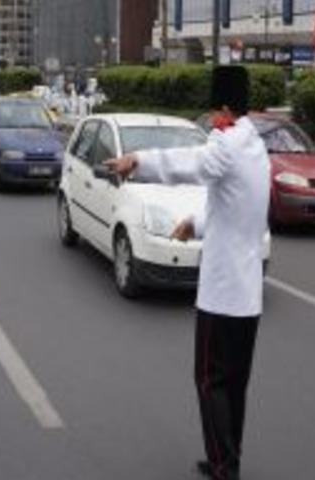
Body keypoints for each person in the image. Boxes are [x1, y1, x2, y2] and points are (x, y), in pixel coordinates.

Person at [105, 66, 270, 480]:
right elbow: (229, 202)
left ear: (226, 107)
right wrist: (194, 223)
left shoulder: (226, 142)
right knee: (233, 386)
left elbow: (190, 163)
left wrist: (137, 160)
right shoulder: (254, 147)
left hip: (221, 294)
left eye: (215, 109)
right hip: (247, 296)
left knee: (209, 380)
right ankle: (228, 458)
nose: (212, 117)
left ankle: (221, 467)